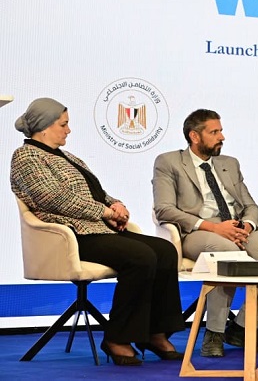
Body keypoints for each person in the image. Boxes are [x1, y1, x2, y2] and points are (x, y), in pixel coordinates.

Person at [10, 98, 185, 366]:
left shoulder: (68, 156)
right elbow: (53, 199)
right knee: (140, 257)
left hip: (97, 229)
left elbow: (97, 193)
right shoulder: (27, 157)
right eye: (63, 125)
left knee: (164, 250)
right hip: (71, 235)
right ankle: (117, 338)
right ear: (44, 127)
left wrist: (116, 205)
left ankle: (155, 332)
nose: (68, 130)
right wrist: (105, 212)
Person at [152, 109, 258, 357]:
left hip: (238, 229)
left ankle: (241, 327)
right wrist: (215, 227)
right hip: (199, 231)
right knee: (226, 253)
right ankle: (214, 333)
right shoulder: (169, 162)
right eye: (214, 132)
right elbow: (164, 209)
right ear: (194, 136)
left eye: (221, 131)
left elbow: (251, 206)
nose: (222, 137)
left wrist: (247, 225)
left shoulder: (229, 163)